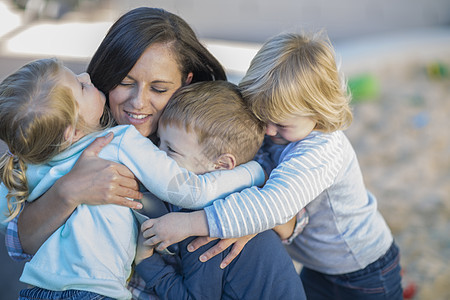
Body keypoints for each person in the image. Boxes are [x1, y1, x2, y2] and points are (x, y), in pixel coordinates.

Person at [1, 7, 252, 298]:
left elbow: (288, 221)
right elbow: (18, 244)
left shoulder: (220, 131)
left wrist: (246, 217)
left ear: (186, 82)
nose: (138, 102)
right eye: (125, 83)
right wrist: (67, 191)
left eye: (158, 89)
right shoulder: (85, 132)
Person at [139, 32, 404, 300]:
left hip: (364, 269)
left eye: (280, 124)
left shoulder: (323, 150)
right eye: (261, 116)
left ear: (318, 111)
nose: (267, 130)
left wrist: (189, 224)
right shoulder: (279, 128)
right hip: (317, 266)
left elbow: (272, 206)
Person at [134, 80, 306, 299]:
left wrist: (146, 262)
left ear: (222, 165)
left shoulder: (207, 224)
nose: (157, 155)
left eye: (170, 150)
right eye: (159, 142)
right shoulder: (248, 195)